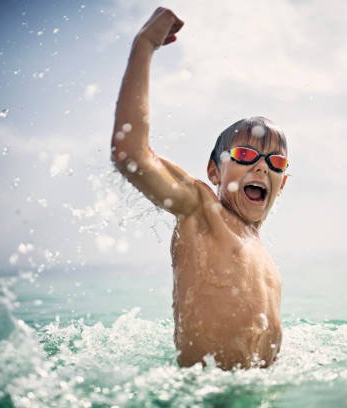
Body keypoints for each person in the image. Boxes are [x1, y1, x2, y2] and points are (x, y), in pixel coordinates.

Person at [111, 7, 289, 370]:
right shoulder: (201, 211)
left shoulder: (265, 256)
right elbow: (131, 155)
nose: (261, 165)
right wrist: (144, 45)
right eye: (245, 153)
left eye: (276, 162)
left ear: (282, 184)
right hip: (203, 394)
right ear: (214, 171)